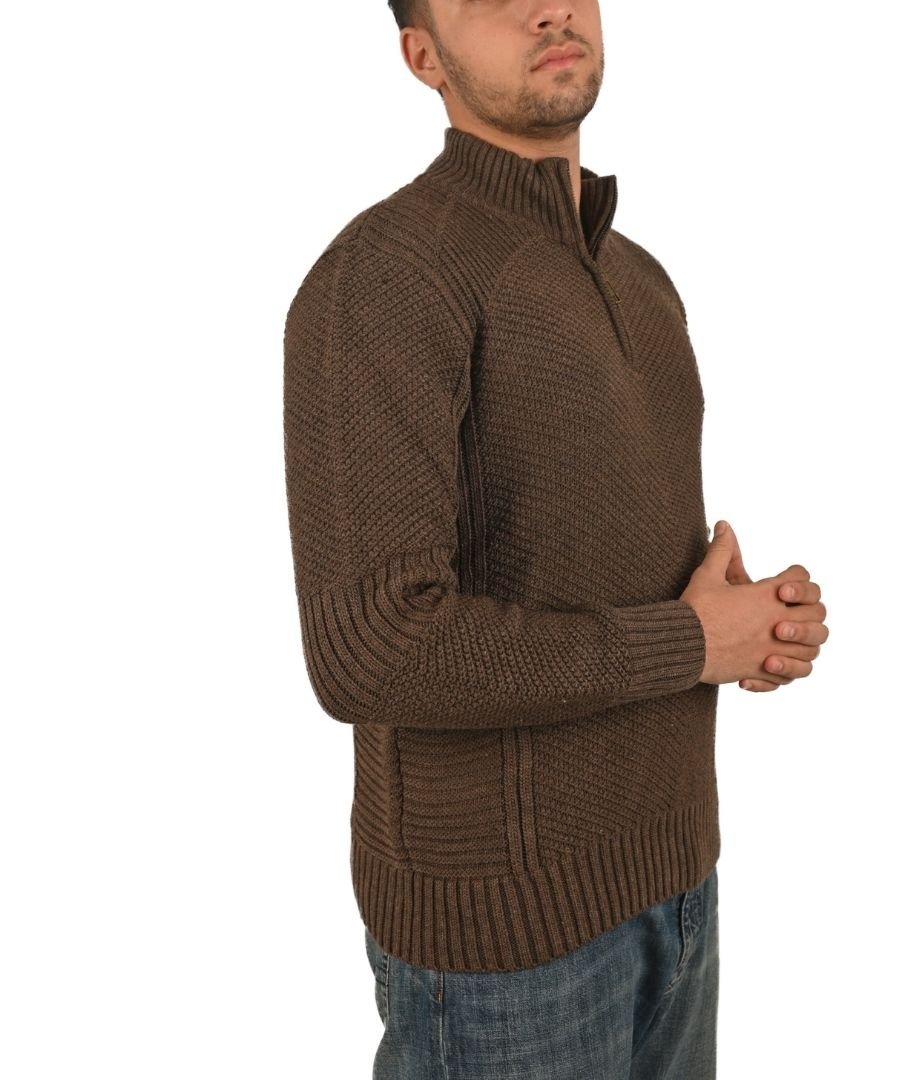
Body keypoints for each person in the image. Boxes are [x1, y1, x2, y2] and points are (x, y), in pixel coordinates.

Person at [282, 1, 829, 1075]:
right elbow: (371, 651)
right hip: (503, 953)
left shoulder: (640, 278)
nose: (545, 5)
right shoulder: (385, 275)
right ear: (423, 56)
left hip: (679, 882)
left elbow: (607, 576)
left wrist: (745, 626)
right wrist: (692, 641)